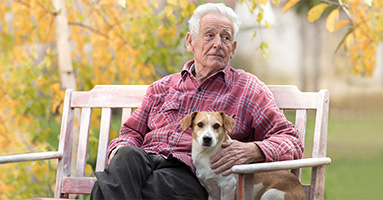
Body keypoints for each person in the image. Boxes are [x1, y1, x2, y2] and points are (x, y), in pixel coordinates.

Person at [90, 3, 303, 199]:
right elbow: (131, 134)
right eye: (209, 35)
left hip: (187, 172)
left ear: (233, 48)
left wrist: (254, 151)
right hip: (143, 162)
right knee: (126, 156)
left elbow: (291, 140)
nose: (218, 44)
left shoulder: (247, 89)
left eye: (226, 38)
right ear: (190, 42)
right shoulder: (161, 87)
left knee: (106, 187)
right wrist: (120, 157)